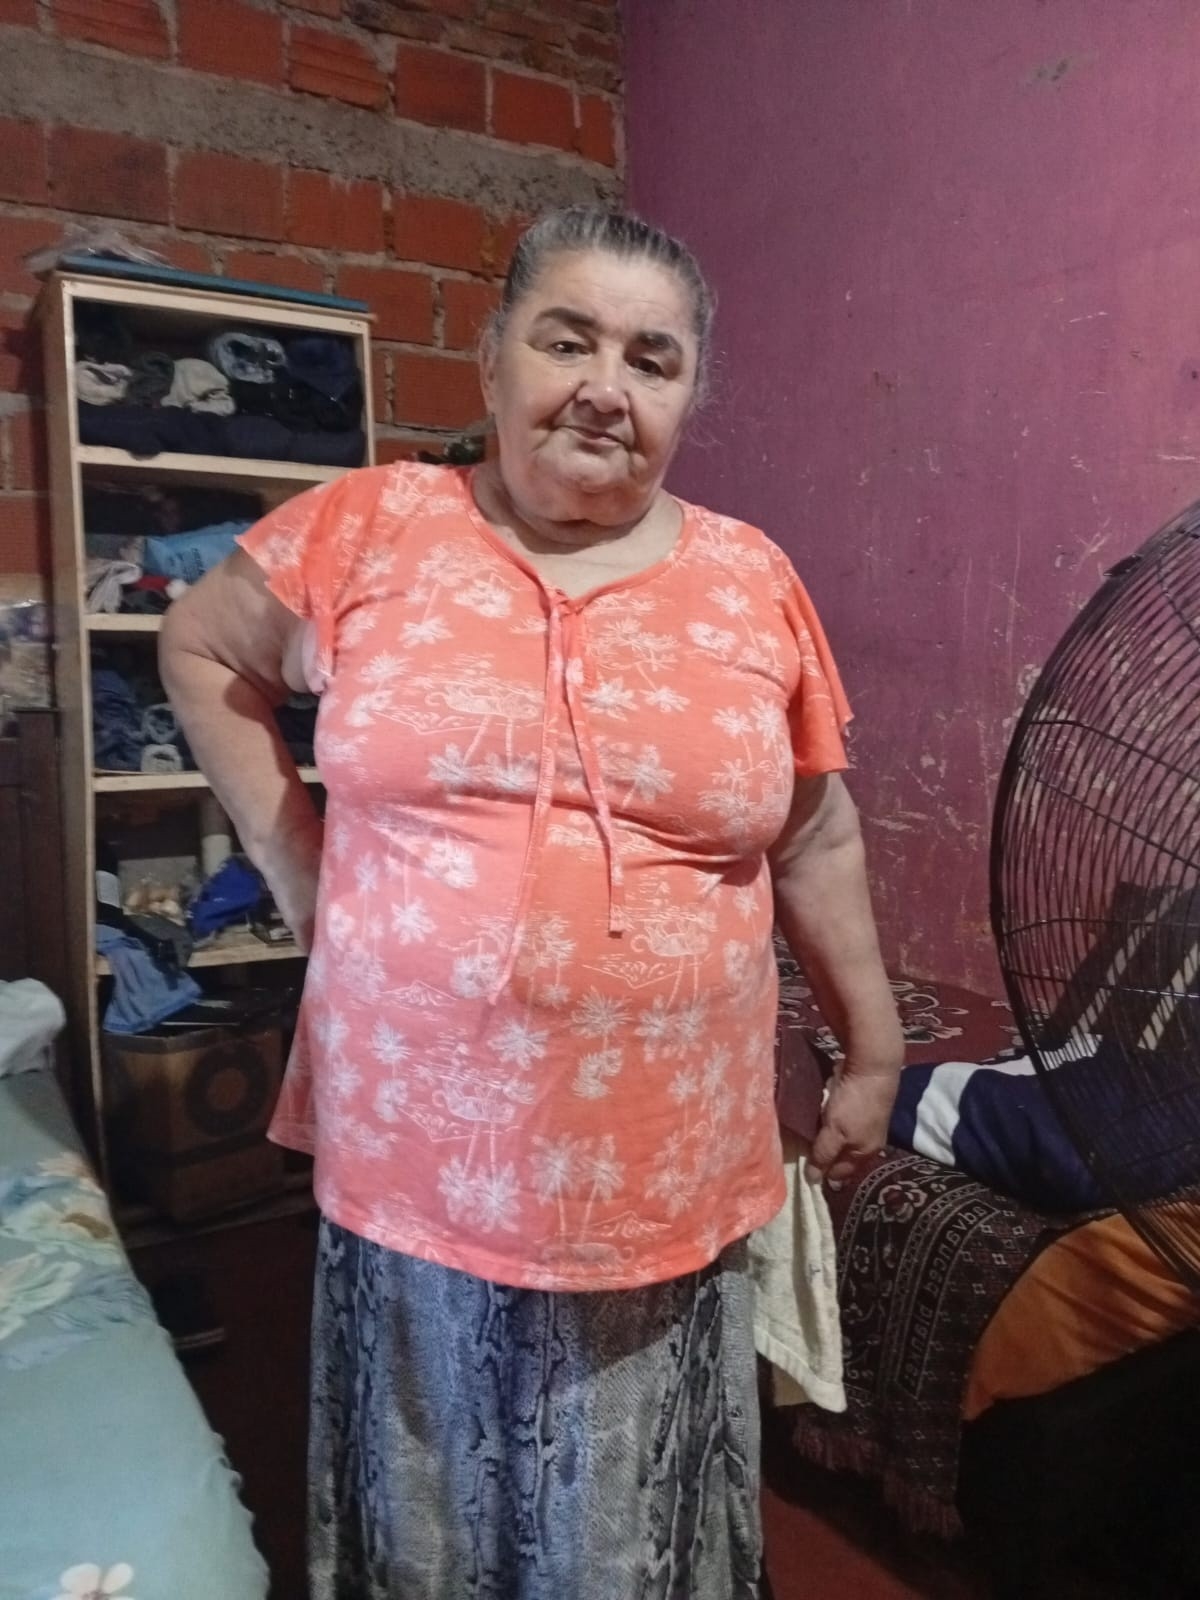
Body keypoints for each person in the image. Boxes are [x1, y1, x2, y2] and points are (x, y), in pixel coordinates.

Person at [161, 206, 904, 1600]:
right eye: (568, 342)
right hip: (415, 1146)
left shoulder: (750, 579)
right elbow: (200, 649)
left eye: (651, 359)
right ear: (495, 359)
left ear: (688, 396)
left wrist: (872, 1048)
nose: (606, 388)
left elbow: (816, 833)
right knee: (436, 1487)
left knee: (623, 1517)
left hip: (662, 1158)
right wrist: (300, 868)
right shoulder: (370, 528)